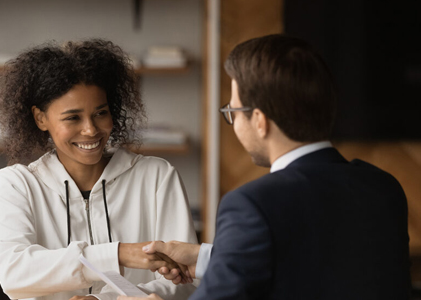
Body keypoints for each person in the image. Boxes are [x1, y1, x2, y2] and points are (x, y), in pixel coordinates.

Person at [119, 34, 411, 300]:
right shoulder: (383, 187)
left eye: (233, 112)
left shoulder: (252, 205)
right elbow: (312, 265)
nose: (233, 122)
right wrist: (207, 258)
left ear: (259, 120)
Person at [0, 39, 198, 300]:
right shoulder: (17, 184)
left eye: (100, 113)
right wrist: (117, 254)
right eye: (73, 117)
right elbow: (12, 272)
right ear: (41, 118)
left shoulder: (157, 177)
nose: (91, 129)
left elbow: (185, 282)